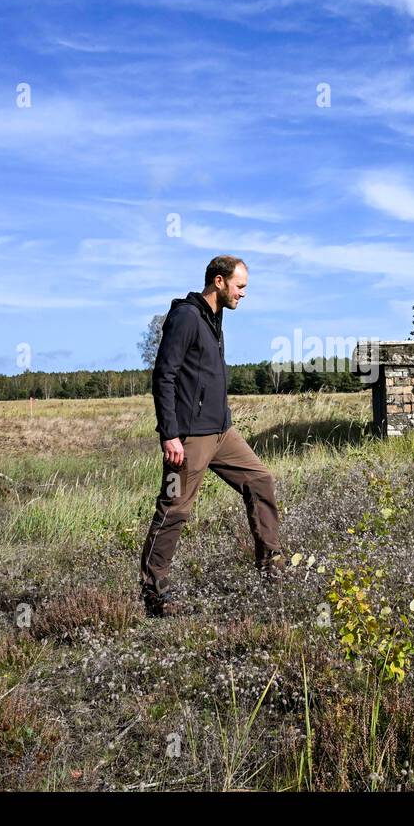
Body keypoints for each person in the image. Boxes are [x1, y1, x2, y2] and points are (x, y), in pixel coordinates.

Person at [139, 255, 285, 617]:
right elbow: (164, 376)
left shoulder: (214, 318)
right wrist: (170, 434)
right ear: (219, 282)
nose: (243, 294)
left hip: (222, 433)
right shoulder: (186, 317)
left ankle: (273, 568)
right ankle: (155, 592)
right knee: (174, 508)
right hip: (189, 438)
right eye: (240, 286)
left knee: (261, 480)